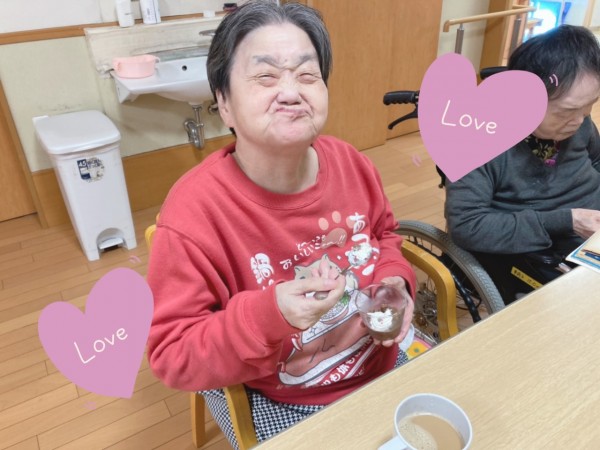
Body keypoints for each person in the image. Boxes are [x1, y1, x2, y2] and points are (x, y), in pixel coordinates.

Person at [146, 1, 416, 447]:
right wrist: (270, 317)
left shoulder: (352, 163)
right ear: (224, 104)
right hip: (286, 400)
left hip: (384, 364)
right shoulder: (193, 212)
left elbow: (385, 235)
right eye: (266, 76)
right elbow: (173, 354)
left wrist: (394, 280)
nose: (291, 93)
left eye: (308, 75)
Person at [445, 25, 600, 303]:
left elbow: (597, 160)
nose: (580, 120)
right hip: (541, 247)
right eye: (567, 111)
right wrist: (568, 221)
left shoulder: (579, 121)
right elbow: (468, 226)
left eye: (589, 106)